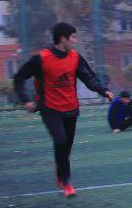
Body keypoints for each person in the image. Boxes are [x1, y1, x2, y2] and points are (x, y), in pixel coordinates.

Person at [13, 22, 113, 197]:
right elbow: (19, 78)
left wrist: (103, 90)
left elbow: (89, 78)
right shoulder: (41, 59)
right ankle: (66, 181)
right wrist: (25, 100)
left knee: (66, 146)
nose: (75, 41)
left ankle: (61, 173)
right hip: (49, 108)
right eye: (73, 37)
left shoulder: (75, 57)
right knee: (60, 141)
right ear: (62, 39)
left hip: (71, 108)